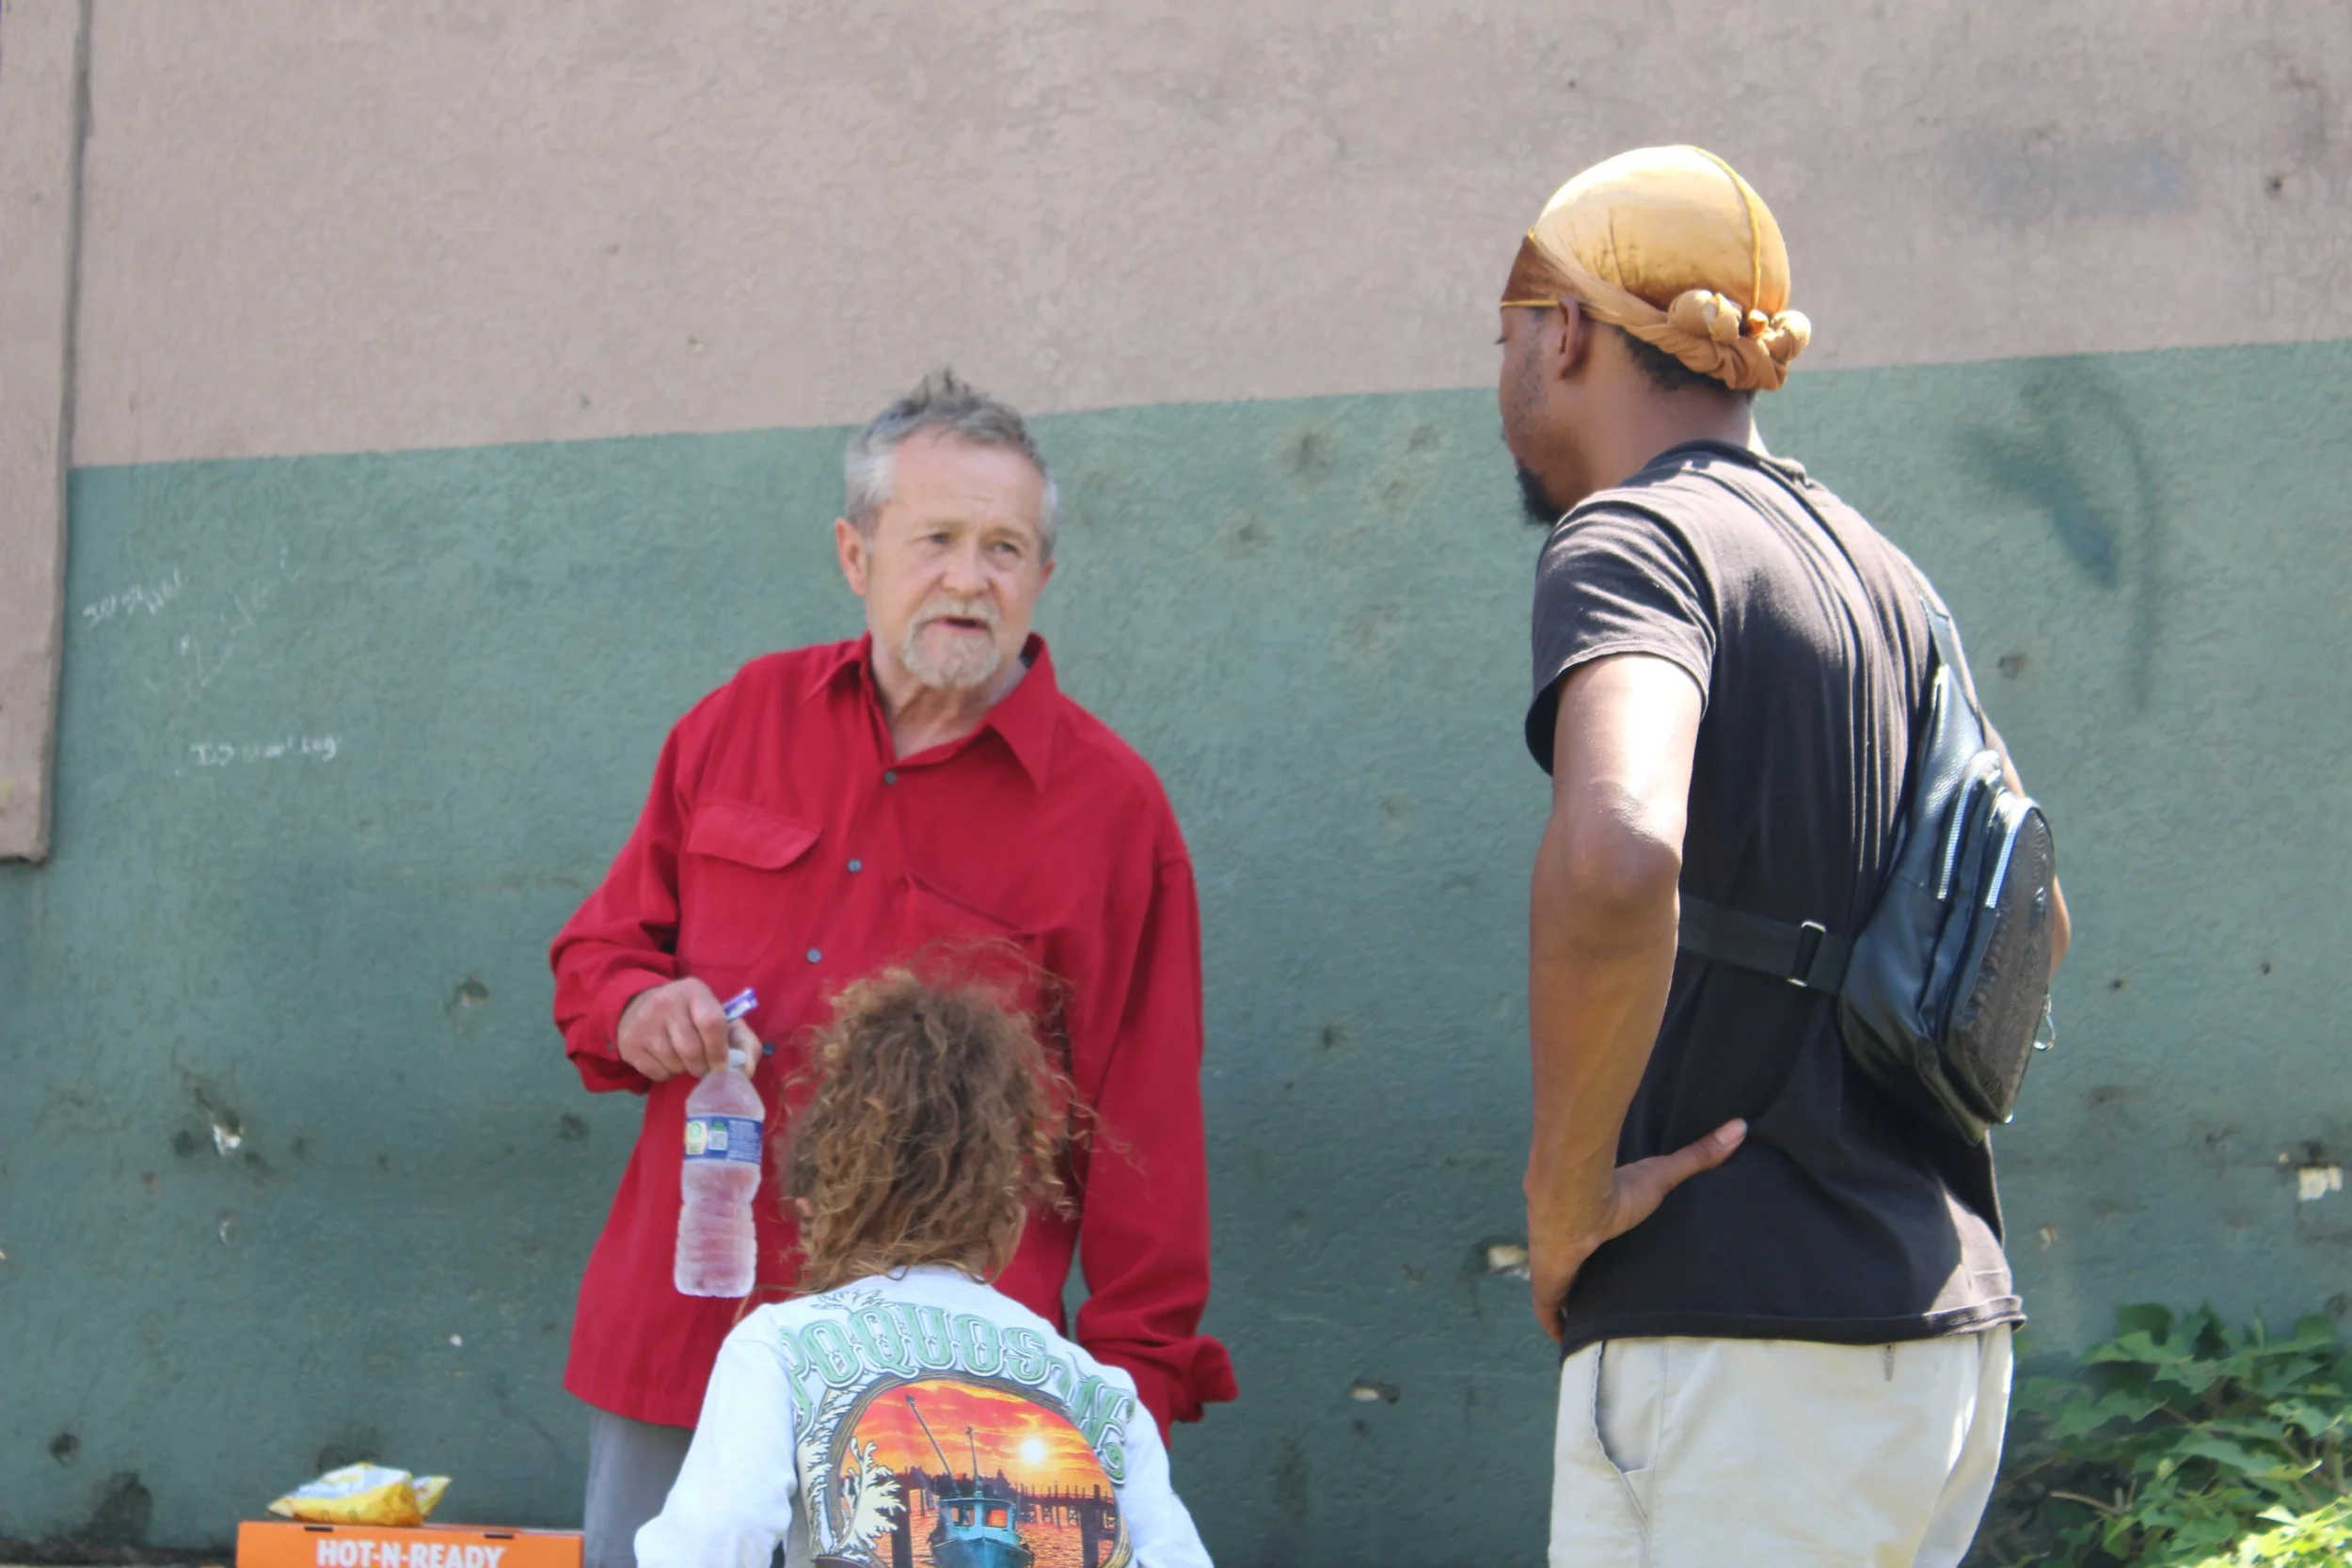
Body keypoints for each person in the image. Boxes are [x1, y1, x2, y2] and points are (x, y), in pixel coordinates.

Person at [550, 372, 1235, 1568]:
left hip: (941, 1401)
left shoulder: (1112, 811)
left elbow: (1146, 1134)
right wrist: (637, 1006)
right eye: (936, 540)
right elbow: (597, 955)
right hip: (688, 1333)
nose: (970, 578)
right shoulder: (737, 721)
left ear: (1043, 577)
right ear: (854, 551)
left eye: (1004, 547)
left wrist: (1127, 1405)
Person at [1498, 147, 2073, 1565]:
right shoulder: (1888, 574)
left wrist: (1568, 1192)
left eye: (1508, 333)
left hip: (1741, 1358)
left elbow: (1622, 848)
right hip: (1936, 1337)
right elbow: (2037, 917)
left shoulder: (1630, 541)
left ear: (1563, 330)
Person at [634, 969, 1214, 1568]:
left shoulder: (776, 1348)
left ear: (818, 1213)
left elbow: (714, 1540)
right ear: (1010, 1219)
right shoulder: (1100, 1389)